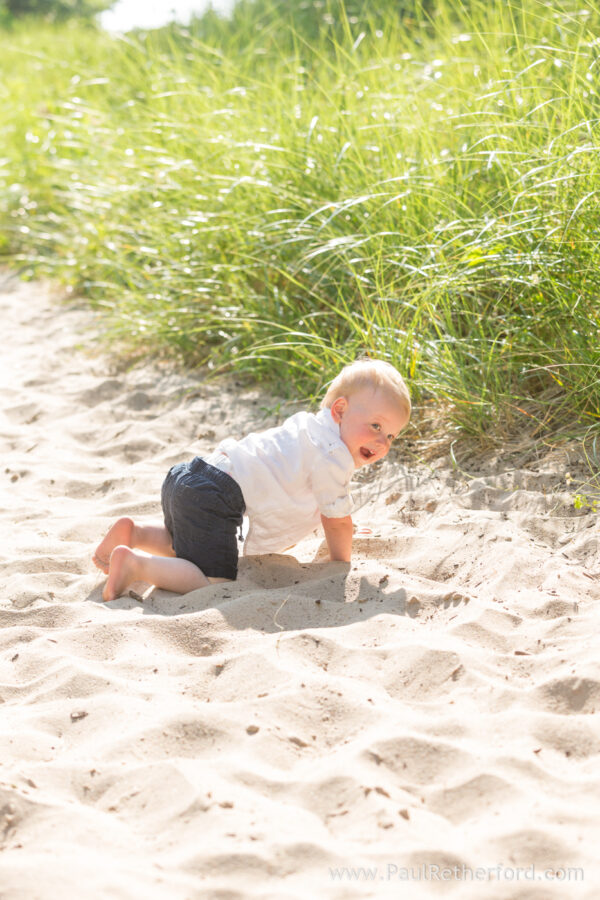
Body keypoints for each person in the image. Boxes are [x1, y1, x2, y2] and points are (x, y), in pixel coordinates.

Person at [94, 358, 411, 602]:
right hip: (217, 495)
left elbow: (301, 493)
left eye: (392, 435)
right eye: (375, 426)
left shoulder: (308, 429)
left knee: (189, 544)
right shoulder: (333, 454)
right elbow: (337, 519)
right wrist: (339, 561)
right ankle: (137, 565)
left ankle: (134, 533)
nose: (383, 441)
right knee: (212, 578)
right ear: (340, 410)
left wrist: (344, 527)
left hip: (192, 474)